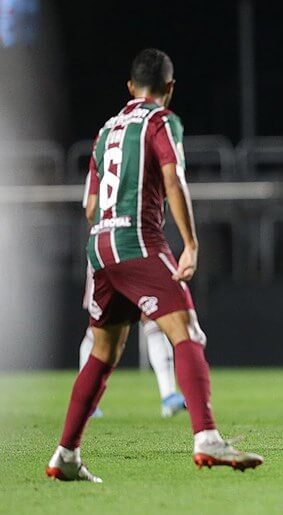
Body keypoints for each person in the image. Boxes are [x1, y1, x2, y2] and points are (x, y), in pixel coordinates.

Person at [46, 48, 263, 482]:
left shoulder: (105, 131)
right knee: (187, 331)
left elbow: (89, 206)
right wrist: (191, 243)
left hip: (100, 246)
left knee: (103, 352)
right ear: (170, 87)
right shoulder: (161, 121)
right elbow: (173, 178)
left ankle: (66, 454)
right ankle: (206, 437)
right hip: (138, 240)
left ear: (130, 87)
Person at [79, 177, 186, 418]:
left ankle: (168, 395)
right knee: (105, 329)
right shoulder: (140, 157)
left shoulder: (101, 157)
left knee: (138, 320)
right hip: (135, 245)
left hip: (109, 247)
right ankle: (167, 396)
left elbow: (91, 210)